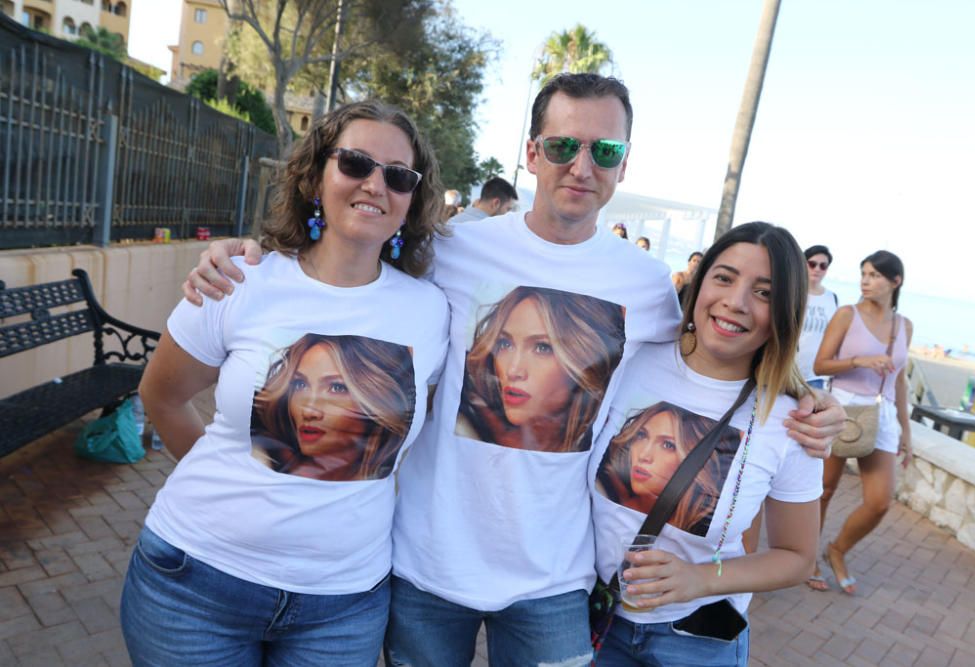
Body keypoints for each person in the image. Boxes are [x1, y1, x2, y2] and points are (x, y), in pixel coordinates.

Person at [183, 74, 844, 667]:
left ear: (621, 166)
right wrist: (249, 254)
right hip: (424, 562)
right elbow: (344, 268)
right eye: (562, 146)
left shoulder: (645, 285)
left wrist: (809, 402)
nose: (581, 166)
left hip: (554, 579)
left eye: (604, 151)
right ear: (531, 154)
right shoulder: (448, 249)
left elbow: (720, 350)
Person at [120, 101, 450, 666]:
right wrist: (246, 496)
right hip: (195, 584)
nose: (375, 184)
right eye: (355, 163)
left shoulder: (432, 310)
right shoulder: (241, 279)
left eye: (398, 175)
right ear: (317, 175)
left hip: (342, 607)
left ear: (411, 201)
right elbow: (163, 397)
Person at [592, 222, 822, 666]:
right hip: (595, 620)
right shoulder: (630, 359)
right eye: (724, 277)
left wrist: (700, 579)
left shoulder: (792, 420)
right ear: (699, 283)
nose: (735, 302)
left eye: (764, 293)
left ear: (784, 314)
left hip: (693, 640)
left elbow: (797, 557)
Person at [813, 250, 913, 596]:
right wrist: (859, 360)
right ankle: (808, 556)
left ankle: (837, 550)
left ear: (895, 282)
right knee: (823, 490)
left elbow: (899, 381)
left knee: (879, 501)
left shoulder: (904, 326)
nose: (865, 281)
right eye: (864, 274)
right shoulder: (847, 315)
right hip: (842, 403)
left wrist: (906, 433)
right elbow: (820, 365)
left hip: (881, 412)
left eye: (874, 276)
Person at [456, 286, 626, 453]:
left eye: (542, 348)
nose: (513, 371)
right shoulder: (461, 425)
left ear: (587, 361)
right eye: (505, 344)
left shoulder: (606, 458)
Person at [251, 333, 415, 482]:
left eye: (337, 388)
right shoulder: (257, 458)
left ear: (378, 398)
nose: (308, 411)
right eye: (300, 384)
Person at [596, 402, 736, 535]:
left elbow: (746, 548)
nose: (644, 455)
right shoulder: (605, 483)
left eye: (668, 445)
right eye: (641, 435)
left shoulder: (710, 522)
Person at [797, 245, 839, 392]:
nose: (817, 269)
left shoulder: (831, 298)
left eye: (823, 266)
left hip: (815, 377)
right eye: (812, 264)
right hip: (786, 372)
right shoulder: (792, 293)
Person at [448, 176, 519, 223]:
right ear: (496, 203)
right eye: (508, 209)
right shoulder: (491, 234)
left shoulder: (450, 222)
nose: (509, 214)